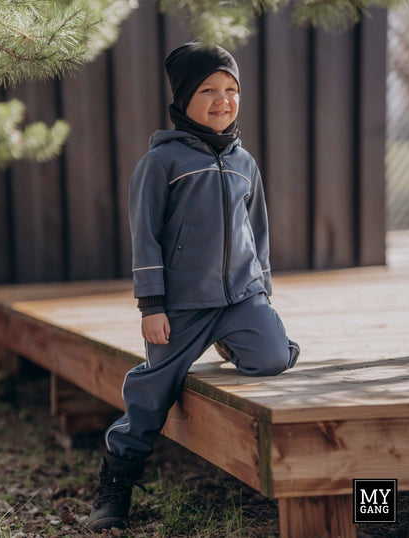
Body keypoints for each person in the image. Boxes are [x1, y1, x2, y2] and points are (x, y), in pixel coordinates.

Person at [87, 41, 300, 532]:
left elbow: (257, 231)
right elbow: (145, 237)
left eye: (231, 89)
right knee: (153, 391)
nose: (222, 99)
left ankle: (240, 334)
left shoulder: (245, 162)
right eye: (208, 89)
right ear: (183, 99)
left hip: (240, 297)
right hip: (181, 305)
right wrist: (152, 305)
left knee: (273, 357)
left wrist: (261, 290)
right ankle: (116, 480)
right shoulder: (162, 163)